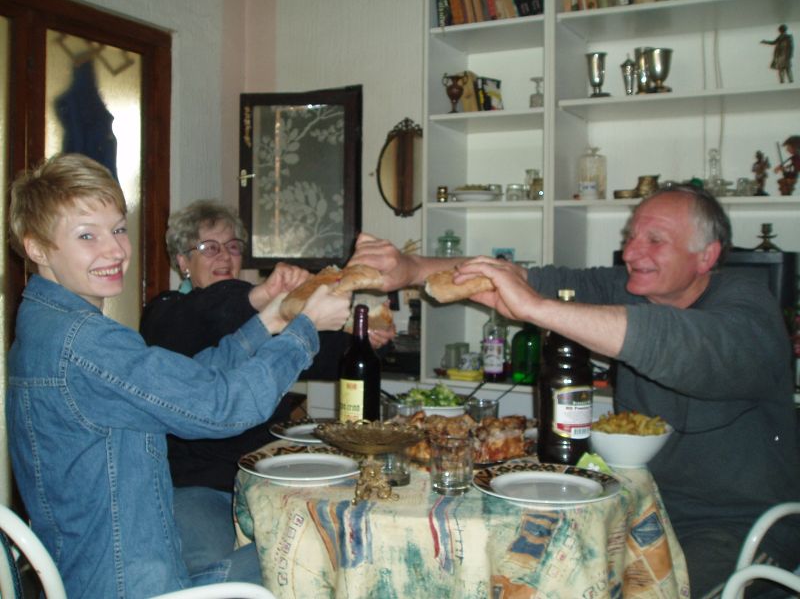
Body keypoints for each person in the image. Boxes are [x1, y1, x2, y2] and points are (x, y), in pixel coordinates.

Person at [349, 185, 800, 597]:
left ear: (706, 256)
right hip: (631, 508)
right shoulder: (631, 289)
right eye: (631, 236)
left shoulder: (748, 309)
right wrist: (410, 269)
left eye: (654, 240)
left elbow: (674, 341)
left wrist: (537, 309)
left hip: (733, 526)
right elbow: (518, 278)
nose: (631, 252)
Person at [6, 153, 352, 598]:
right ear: (37, 248)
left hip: (92, 575)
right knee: (337, 550)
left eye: (118, 229)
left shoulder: (47, 328)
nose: (115, 251)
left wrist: (271, 321)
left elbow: (187, 381)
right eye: (87, 235)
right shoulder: (84, 343)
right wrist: (305, 330)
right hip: (132, 588)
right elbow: (222, 407)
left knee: (314, 543)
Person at [139, 199, 394, 578]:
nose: (224, 255)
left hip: (272, 476)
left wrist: (365, 340)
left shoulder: (263, 315)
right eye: (209, 247)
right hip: (201, 485)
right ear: (182, 261)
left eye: (232, 246)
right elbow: (214, 311)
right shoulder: (167, 311)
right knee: (213, 569)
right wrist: (263, 295)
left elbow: (325, 355)